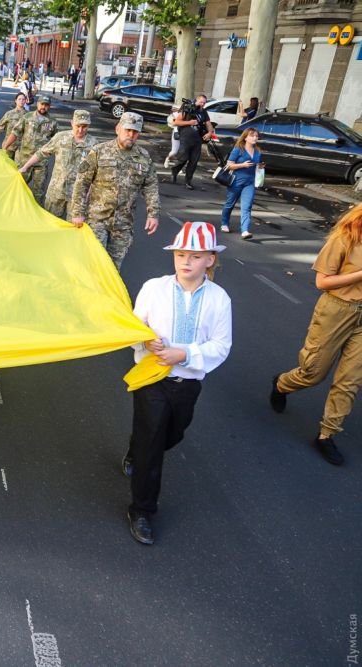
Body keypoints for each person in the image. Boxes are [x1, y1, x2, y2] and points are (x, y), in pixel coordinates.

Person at [124, 220, 232, 545]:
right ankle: (142, 510)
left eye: (195, 256)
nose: (186, 262)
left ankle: (136, 448)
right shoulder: (153, 288)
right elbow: (133, 326)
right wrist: (146, 340)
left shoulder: (219, 299)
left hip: (187, 384)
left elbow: (221, 345)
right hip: (152, 380)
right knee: (152, 445)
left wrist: (182, 354)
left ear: (210, 260)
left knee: (172, 433)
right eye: (181, 254)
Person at [270, 203, 362, 467]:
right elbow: (322, 281)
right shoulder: (346, 236)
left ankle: (326, 435)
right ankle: (281, 384)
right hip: (336, 309)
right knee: (313, 372)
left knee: (350, 381)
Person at [70, 112, 159, 269]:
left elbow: (151, 185)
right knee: (93, 263)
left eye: (135, 132)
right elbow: (82, 182)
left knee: (112, 268)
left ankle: (106, 294)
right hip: (97, 219)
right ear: (118, 129)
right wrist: (77, 212)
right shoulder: (100, 151)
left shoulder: (144, 157)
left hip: (124, 223)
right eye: (127, 130)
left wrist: (153, 214)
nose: (131, 135)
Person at [18, 109, 98, 218]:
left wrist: (89, 193)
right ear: (72, 123)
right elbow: (41, 153)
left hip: (77, 196)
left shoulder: (94, 144)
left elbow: (96, 171)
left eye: (84, 126)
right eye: (77, 126)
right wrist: (25, 167)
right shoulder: (60, 138)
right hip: (56, 192)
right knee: (50, 223)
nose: (80, 130)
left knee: (74, 228)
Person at [3, 94, 58, 199]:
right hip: (25, 160)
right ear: (37, 104)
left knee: (38, 192)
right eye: (42, 104)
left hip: (41, 163)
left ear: (49, 106)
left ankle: (36, 212)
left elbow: (55, 141)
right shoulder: (27, 117)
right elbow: (15, 133)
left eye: (46, 105)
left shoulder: (53, 122)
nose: (44, 107)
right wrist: (5, 147)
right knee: (18, 187)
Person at [220, 127, 262, 240]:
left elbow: (257, 166)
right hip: (236, 181)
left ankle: (245, 230)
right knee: (230, 204)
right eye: (252, 135)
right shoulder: (238, 149)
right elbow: (229, 165)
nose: (255, 138)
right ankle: (224, 223)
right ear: (246, 137)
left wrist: (260, 167)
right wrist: (242, 165)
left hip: (250, 182)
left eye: (256, 136)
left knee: (247, 207)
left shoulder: (258, 151)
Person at [170, 94, 214, 190]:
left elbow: (208, 124)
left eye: (204, 102)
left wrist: (210, 132)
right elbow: (176, 122)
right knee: (183, 158)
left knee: (194, 161)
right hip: (186, 137)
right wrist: (189, 123)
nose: (202, 104)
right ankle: (174, 171)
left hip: (198, 139)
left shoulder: (204, 112)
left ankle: (188, 181)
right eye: (201, 102)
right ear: (196, 101)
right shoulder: (187, 109)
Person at [0, 91, 29, 160]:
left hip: (21, 147)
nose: (21, 101)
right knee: (6, 165)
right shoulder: (9, 114)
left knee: (18, 168)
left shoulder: (28, 115)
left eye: (23, 99)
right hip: (9, 145)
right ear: (15, 101)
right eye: (19, 99)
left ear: (25, 101)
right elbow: (0, 127)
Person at [163, 102, 182, 169]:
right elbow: (173, 124)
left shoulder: (186, 115)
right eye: (175, 108)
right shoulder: (171, 117)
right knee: (174, 151)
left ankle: (179, 167)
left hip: (186, 134)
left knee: (183, 152)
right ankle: (167, 159)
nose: (176, 110)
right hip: (177, 133)